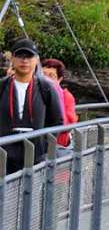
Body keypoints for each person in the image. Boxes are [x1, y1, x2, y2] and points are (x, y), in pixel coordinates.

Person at [0, 39, 66, 174]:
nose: (25, 61)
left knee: (32, 194)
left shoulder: (46, 88)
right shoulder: (2, 86)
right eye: (20, 56)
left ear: (36, 60)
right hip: (3, 157)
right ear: (12, 59)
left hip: (36, 157)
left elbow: (57, 121)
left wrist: (44, 146)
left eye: (29, 56)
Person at [40, 58, 78, 148]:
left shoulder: (66, 97)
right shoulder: (34, 94)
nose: (46, 79)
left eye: (51, 76)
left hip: (58, 146)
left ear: (59, 79)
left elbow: (67, 124)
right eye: (43, 74)